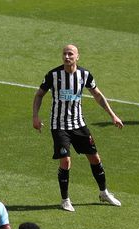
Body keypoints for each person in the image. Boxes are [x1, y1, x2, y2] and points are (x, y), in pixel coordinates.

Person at [32, 44, 123, 212]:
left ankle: (104, 193)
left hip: (79, 124)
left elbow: (97, 95)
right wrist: (35, 117)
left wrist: (113, 115)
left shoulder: (85, 75)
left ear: (77, 56)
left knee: (95, 158)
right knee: (65, 160)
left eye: (70, 54)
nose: (67, 57)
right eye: (65, 54)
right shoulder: (53, 75)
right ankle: (65, 199)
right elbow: (39, 95)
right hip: (59, 126)